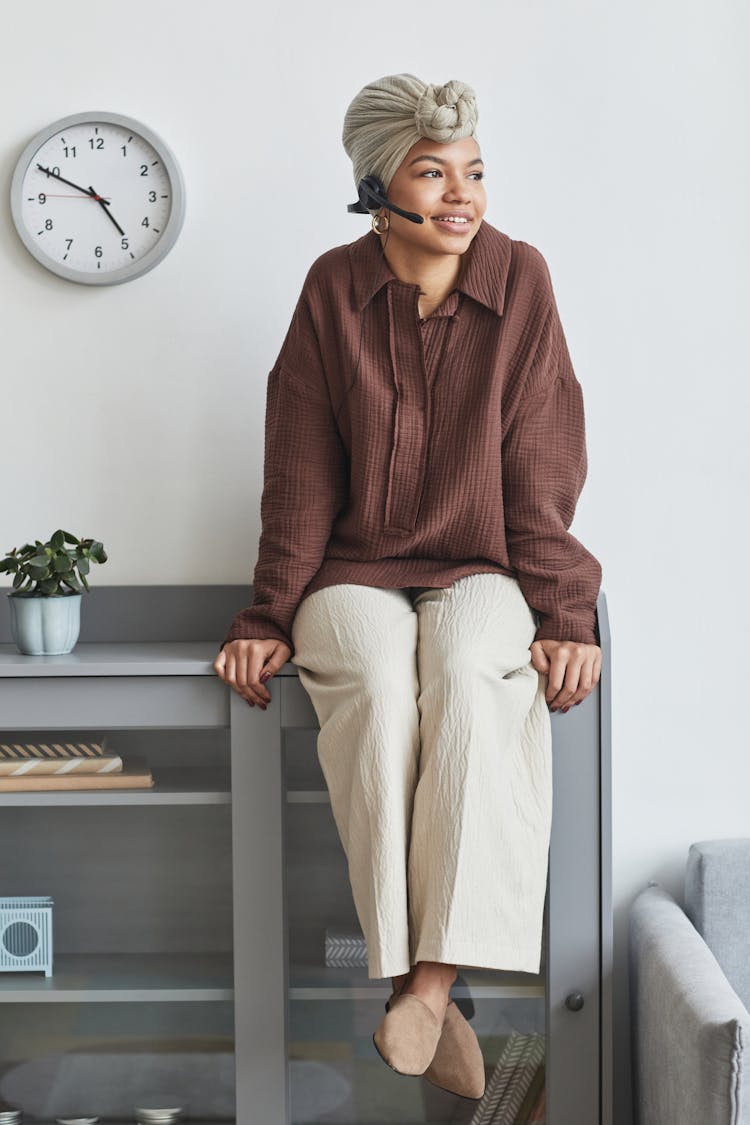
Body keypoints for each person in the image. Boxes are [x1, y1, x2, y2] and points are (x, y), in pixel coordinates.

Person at [214, 73, 602, 1100]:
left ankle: (425, 986)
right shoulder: (331, 291)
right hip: (352, 569)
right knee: (382, 695)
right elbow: (300, 473)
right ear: (376, 185)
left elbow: (541, 463)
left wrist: (564, 611)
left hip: (486, 563)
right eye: (434, 174)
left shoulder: (520, 279)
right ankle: (423, 989)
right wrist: (267, 614)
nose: (462, 196)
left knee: (474, 675)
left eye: (473, 172)